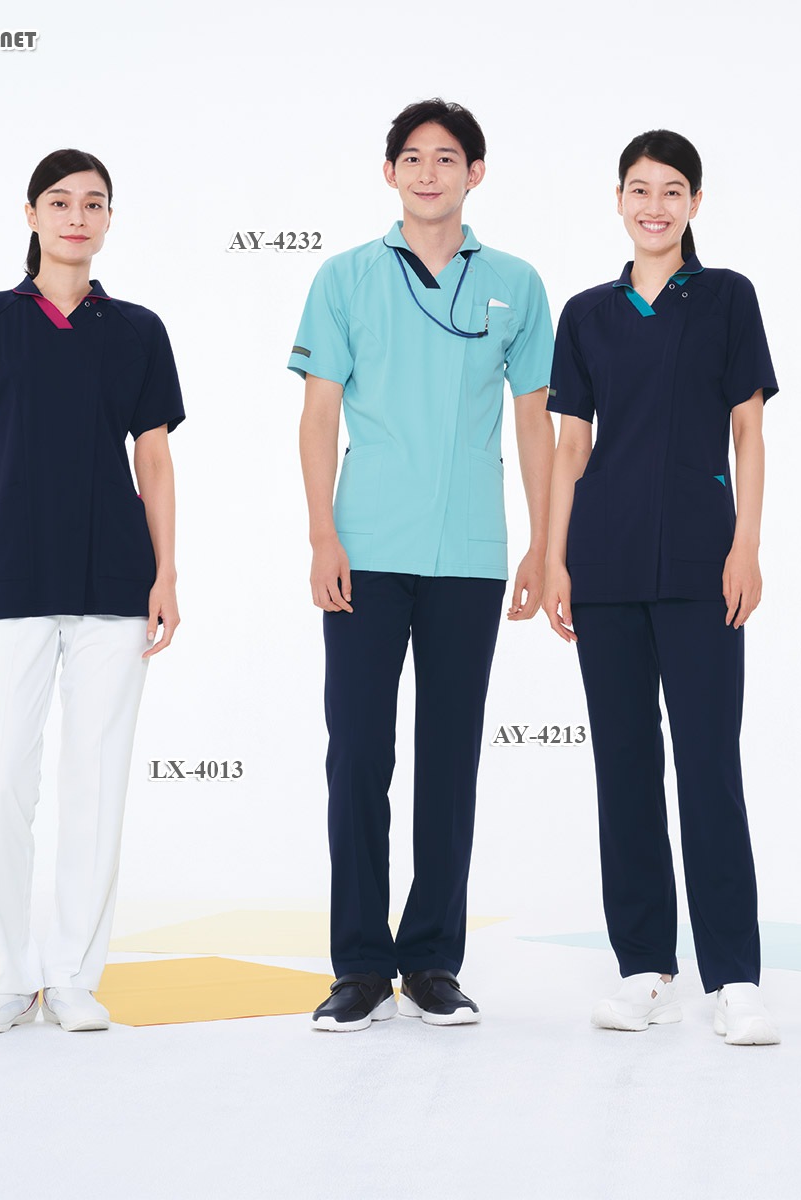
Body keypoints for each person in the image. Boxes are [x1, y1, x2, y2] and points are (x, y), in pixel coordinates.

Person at [288, 99, 554, 1031]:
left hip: (470, 554)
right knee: (360, 753)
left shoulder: (517, 284)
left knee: (449, 757)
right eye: (412, 157)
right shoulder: (344, 278)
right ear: (390, 172)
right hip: (365, 548)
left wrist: (544, 541)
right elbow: (318, 415)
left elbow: (535, 423)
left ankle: (434, 961)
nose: (429, 172)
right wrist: (322, 535)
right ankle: (360, 966)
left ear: (475, 173)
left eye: (447, 158)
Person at [0, 148, 185, 1034]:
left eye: (95, 203)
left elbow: (154, 458)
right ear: (32, 214)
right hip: (8, 573)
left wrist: (166, 572)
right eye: (62, 202)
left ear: (110, 220)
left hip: (116, 574)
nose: (79, 217)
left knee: (97, 778)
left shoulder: (139, 329)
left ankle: (73, 975)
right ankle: (11, 972)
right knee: (2, 773)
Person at [543, 130, 780, 1045]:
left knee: (709, 763)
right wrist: (554, 556)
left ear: (695, 203)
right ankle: (646, 969)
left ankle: (735, 979)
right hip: (603, 566)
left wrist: (746, 544)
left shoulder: (727, 298)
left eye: (672, 190)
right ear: (618, 200)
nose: (655, 205)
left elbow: (748, 431)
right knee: (625, 767)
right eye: (639, 189)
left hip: (700, 562)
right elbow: (572, 444)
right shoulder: (586, 314)